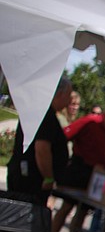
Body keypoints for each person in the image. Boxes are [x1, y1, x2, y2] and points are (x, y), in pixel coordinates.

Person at [42, 98, 105, 232]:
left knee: (83, 211)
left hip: (96, 177)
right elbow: (64, 137)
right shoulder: (90, 122)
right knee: (67, 206)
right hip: (78, 171)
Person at [6, 76, 72, 207]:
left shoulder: (39, 112)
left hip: (24, 173)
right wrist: (48, 177)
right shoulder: (46, 115)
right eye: (68, 95)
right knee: (23, 212)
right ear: (60, 94)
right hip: (31, 179)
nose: (69, 100)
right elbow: (42, 149)